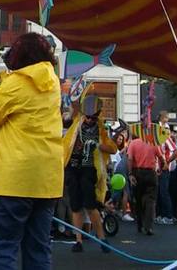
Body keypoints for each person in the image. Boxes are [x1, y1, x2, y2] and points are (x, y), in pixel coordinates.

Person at [0, 32, 64, 270]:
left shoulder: (14, 84)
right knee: (39, 249)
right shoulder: (53, 83)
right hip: (48, 179)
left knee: (3, 246)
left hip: (16, 179)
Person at [61, 95, 115, 253]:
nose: (90, 120)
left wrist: (98, 145)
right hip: (72, 167)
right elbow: (74, 103)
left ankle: (102, 239)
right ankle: (78, 240)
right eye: (88, 116)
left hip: (88, 168)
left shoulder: (101, 129)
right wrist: (74, 90)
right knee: (75, 206)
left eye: (94, 117)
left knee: (91, 206)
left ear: (98, 115)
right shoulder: (77, 119)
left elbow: (113, 148)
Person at [127, 125, 163, 235]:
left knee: (138, 199)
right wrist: (160, 168)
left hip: (137, 172)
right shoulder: (153, 143)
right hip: (150, 173)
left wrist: (130, 174)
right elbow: (161, 158)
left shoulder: (133, 143)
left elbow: (129, 159)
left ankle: (139, 224)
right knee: (150, 200)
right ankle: (149, 227)